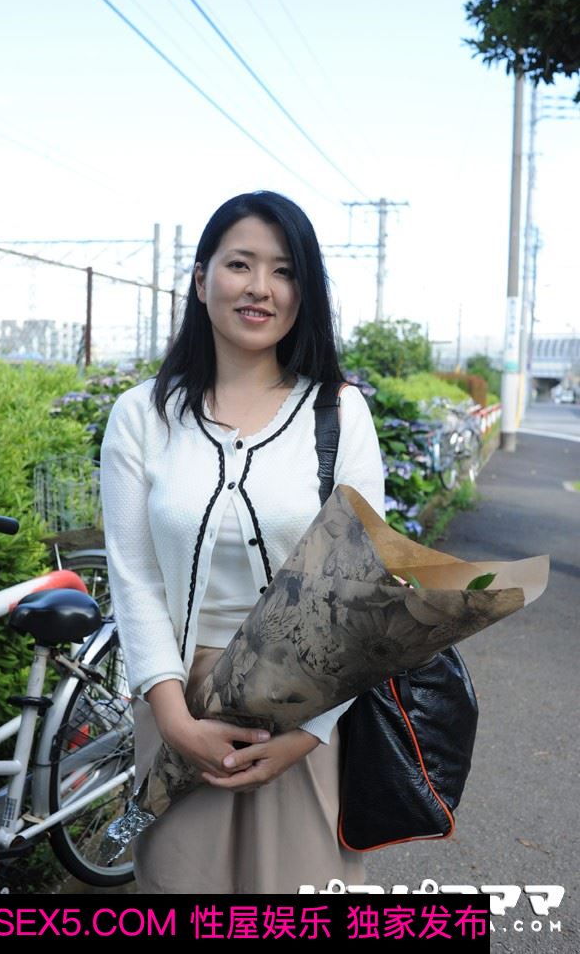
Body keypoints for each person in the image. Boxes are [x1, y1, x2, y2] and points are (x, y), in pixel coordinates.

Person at [100, 190, 385, 894]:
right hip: (177, 705)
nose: (261, 287)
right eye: (240, 264)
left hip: (307, 713)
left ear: (304, 292)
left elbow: (364, 586)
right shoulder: (142, 417)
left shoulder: (339, 412)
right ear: (201, 281)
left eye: (284, 271)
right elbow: (135, 579)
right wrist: (173, 720)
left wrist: (308, 734)